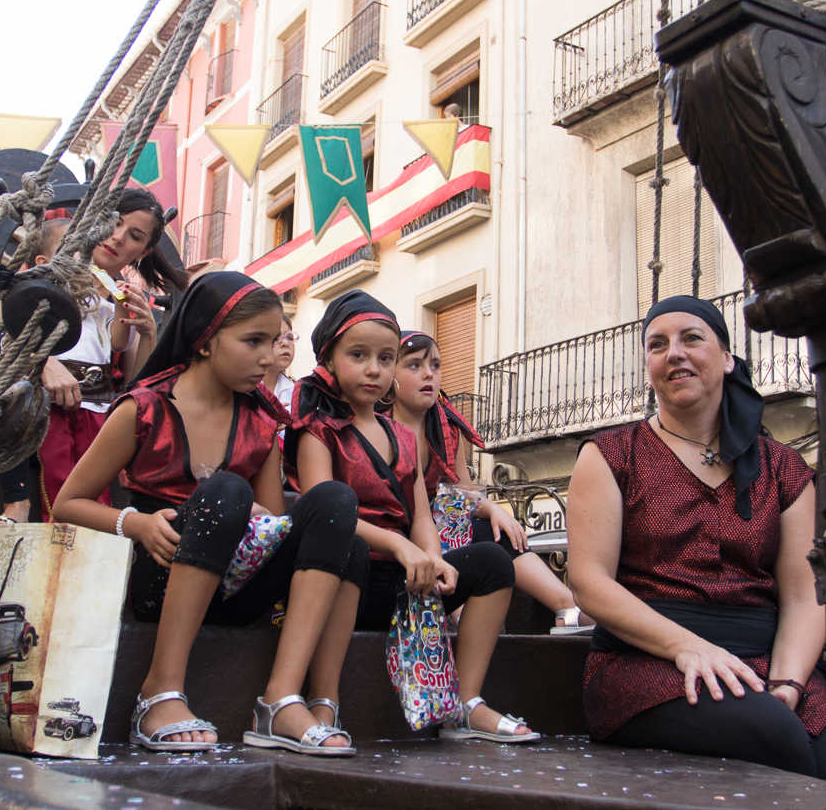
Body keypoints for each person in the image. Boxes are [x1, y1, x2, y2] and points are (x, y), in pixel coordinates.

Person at [53, 271, 364, 756]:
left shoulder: (261, 422)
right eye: (253, 341)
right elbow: (66, 504)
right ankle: (159, 691)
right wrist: (134, 523)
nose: (268, 357)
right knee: (226, 491)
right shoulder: (144, 409)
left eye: (274, 341)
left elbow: (273, 524)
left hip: (235, 587)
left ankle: (280, 700)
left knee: (338, 508)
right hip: (156, 577)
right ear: (204, 341)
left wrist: (264, 515)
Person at [566, 295, 826, 778]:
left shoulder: (783, 468)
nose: (674, 353)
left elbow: (804, 595)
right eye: (657, 344)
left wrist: (788, 682)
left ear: (728, 358)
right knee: (774, 734)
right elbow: (588, 581)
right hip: (644, 665)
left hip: (764, 663)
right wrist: (689, 647)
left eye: (692, 338)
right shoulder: (610, 455)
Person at [287, 291, 537, 743]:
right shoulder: (317, 430)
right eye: (358, 355)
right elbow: (323, 510)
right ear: (329, 358)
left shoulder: (402, 436)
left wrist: (434, 557)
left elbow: (420, 514)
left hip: (401, 583)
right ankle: (323, 698)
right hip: (342, 580)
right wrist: (400, 546)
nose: (374, 369)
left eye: (385, 358)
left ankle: (466, 702)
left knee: (493, 564)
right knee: (351, 544)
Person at [0, 190, 182, 520]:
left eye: (134, 236)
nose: (117, 238)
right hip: (38, 411)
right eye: (113, 224)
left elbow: (133, 384)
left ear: (144, 251)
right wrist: (43, 362)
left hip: (95, 418)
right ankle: (19, 504)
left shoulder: (120, 300)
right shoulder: (37, 276)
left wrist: (147, 332)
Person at [391, 330, 593, 635]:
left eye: (435, 365)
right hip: (400, 532)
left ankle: (566, 607)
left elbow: (462, 490)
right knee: (451, 515)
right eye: (414, 366)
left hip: (443, 529)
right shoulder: (380, 428)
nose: (428, 375)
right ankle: (456, 614)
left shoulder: (446, 428)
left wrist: (495, 510)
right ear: (389, 374)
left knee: (494, 528)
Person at [263, 314, 297, 414]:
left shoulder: (298, 394)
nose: (285, 343)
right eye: (277, 337)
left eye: (289, 337)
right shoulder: (241, 390)